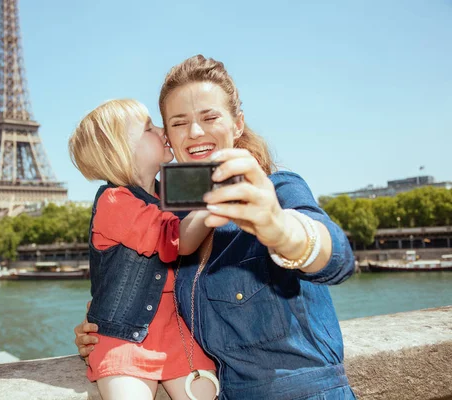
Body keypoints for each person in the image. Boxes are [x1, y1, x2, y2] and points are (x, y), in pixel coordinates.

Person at [74, 56, 357, 400]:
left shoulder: (277, 190)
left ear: (238, 124)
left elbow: (338, 258)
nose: (194, 132)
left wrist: (282, 230)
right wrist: (102, 323)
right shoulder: (170, 217)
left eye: (209, 117)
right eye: (178, 123)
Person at [68, 99, 218, 400]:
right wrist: (219, 199)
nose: (163, 130)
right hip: (123, 339)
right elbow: (178, 238)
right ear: (120, 152)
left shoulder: (172, 191)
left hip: (179, 335)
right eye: (149, 128)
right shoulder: (114, 202)